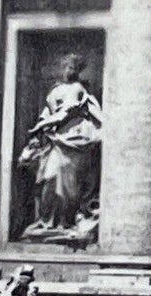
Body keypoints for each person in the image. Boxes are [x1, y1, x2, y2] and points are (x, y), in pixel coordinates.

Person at [17, 55, 102, 244]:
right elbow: (48, 111)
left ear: (78, 70)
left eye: (72, 68)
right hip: (54, 140)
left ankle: (64, 222)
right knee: (48, 177)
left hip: (72, 139)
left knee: (67, 184)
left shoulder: (78, 89)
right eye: (66, 67)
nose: (68, 71)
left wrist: (43, 125)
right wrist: (41, 124)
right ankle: (46, 222)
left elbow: (67, 112)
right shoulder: (56, 90)